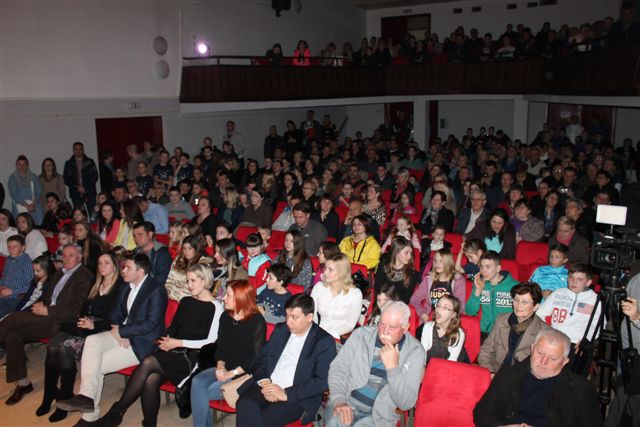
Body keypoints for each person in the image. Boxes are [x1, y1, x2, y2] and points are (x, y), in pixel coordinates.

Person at [95, 264, 223, 427]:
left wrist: (178, 343)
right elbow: (173, 328)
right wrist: (166, 340)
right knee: (150, 379)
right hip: (173, 351)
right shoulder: (186, 301)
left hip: (192, 358)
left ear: (205, 281)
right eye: (187, 281)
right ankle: (148, 423)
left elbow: (211, 342)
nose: (189, 285)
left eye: (193, 281)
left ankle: (116, 413)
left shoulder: (216, 307)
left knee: (148, 363)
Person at [56, 253, 168, 425]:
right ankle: (86, 397)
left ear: (140, 271)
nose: (123, 270)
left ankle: (88, 417)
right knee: (92, 342)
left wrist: (124, 332)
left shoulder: (156, 290)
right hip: (121, 333)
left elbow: (151, 324)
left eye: (127, 267)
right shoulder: (126, 286)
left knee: (95, 366)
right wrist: (120, 329)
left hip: (143, 343)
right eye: (123, 267)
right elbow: (114, 313)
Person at [0, 244, 92, 406]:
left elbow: (75, 309)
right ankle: (23, 384)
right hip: (44, 317)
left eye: (71, 255)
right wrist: (38, 306)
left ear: (80, 257)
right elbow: (46, 295)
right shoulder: (59, 273)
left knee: (13, 318)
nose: (66, 258)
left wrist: (47, 311)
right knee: (12, 335)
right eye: (64, 255)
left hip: (61, 322)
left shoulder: (85, 275)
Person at [36, 251, 123, 422]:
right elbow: (83, 307)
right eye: (99, 263)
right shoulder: (96, 283)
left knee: (64, 349)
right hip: (84, 326)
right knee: (52, 346)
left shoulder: (120, 287)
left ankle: (63, 397)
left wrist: (94, 325)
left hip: (102, 331)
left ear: (115, 266)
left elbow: (117, 319)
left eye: (106, 263)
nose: (102, 266)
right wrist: (83, 320)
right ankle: (49, 395)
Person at [236, 294, 337, 427]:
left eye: (294, 317)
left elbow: (322, 381)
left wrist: (286, 394)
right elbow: (260, 359)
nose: (288, 321)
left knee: (263, 420)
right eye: (287, 315)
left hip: (296, 396)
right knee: (244, 404)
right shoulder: (281, 330)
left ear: (309, 317)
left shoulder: (323, 341)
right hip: (267, 384)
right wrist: (265, 382)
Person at [474, 329, 603, 427]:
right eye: (540, 353)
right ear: (532, 349)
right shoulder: (508, 374)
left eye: (553, 358)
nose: (543, 361)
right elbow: (481, 412)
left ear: (564, 361)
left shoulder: (581, 390)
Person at [324, 301, 426, 426]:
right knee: (335, 422)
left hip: (379, 417)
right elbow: (338, 369)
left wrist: (393, 369)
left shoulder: (415, 352)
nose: (384, 331)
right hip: (347, 403)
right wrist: (340, 400)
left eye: (392, 327)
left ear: (405, 328)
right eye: (382, 324)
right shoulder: (361, 335)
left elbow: (406, 403)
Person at [190, 279, 266, 427]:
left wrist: (230, 374)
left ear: (241, 298)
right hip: (225, 368)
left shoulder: (257, 321)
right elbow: (221, 348)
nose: (224, 298)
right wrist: (220, 367)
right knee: (196, 382)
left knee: (200, 392)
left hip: (243, 374)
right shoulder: (225, 317)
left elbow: (254, 359)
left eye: (228, 295)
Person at [478, 282, 550, 375]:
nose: (518, 305)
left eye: (524, 302)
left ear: (535, 307)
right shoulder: (501, 320)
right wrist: (490, 372)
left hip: (522, 378)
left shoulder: (544, 332)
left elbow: (542, 367)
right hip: (496, 372)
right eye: (516, 300)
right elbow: (486, 350)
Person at [536, 263, 601, 351]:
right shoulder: (558, 293)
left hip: (576, 342)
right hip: (554, 339)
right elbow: (539, 314)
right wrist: (545, 332)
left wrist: (586, 340)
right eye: (571, 278)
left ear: (588, 283)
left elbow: (598, 325)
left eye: (579, 279)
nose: (574, 282)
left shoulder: (594, 299)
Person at [465, 251, 519, 335]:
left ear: (498, 268)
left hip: (505, 333)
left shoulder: (514, 286)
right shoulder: (480, 284)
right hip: (483, 332)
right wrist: (478, 290)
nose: (483, 271)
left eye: (488, 267)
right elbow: (469, 312)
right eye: (481, 267)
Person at [310, 253, 362, 340]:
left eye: (330, 270)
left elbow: (350, 324)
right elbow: (312, 314)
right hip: (317, 333)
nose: (325, 272)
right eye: (325, 268)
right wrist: (316, 332)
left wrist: (328, 335)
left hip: (338, 337)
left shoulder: (355, 295)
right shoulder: (319, 287)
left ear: (342, 272)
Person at [165, 234, 214, 301]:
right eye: (184, 248)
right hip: (170, 297)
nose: (186, 252)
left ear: (196, 249)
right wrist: (167, 294)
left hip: (186, 299)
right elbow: (170, 279)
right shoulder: (179, 260)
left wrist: (174, 295)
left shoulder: (202, 263)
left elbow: (192, 288)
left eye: (189, 248)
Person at [420, 294, 467, 365]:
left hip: (448, 368)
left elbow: (451, 361)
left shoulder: (458, 334)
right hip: (429, 367)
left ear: (453, 314)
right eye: (438, 305)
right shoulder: (428, 327)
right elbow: (422, 356)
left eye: (445, 307)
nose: (439, 309)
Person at [375, 236, 420, 304]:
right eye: (406, 253)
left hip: (398, 307)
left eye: (410, 253)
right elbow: (377, 289)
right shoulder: (383, 267)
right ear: (396, 252)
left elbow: (406, 299)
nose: (410, 256)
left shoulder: (412, 274)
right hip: (381, 303)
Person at [0, 235, 35, 319]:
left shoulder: (27, 263)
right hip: (3, 295)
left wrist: (11, 292)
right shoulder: (9, 259)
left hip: (16, 298)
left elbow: (31, 286)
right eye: (9, 247)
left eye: (15, 247)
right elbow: (4, 275)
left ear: (23, 248)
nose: (11, 250)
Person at [63, 142, 99, 213]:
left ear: (83, 150)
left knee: (93, 214)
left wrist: (85, 187)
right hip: (75, 193)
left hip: (90, 192)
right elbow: (66, 179)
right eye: (76, 149)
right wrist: (77, 187)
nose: (78, 151)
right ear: (73, 150)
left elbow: (95, 177)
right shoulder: (69, 163)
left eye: (80, 149)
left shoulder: (90, 162)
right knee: (79, 215)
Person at [9, 155, 44, 224]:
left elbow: (38, 192)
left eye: (24, 164)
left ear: (27, 165)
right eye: (19, 164)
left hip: (34, 205)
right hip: (20, 205)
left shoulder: (34, 177)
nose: (21, 167)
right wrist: (27, 206)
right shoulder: (12, 178)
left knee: (37, 225)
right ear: (16, 166)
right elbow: (14, 194)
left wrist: (33, 204)